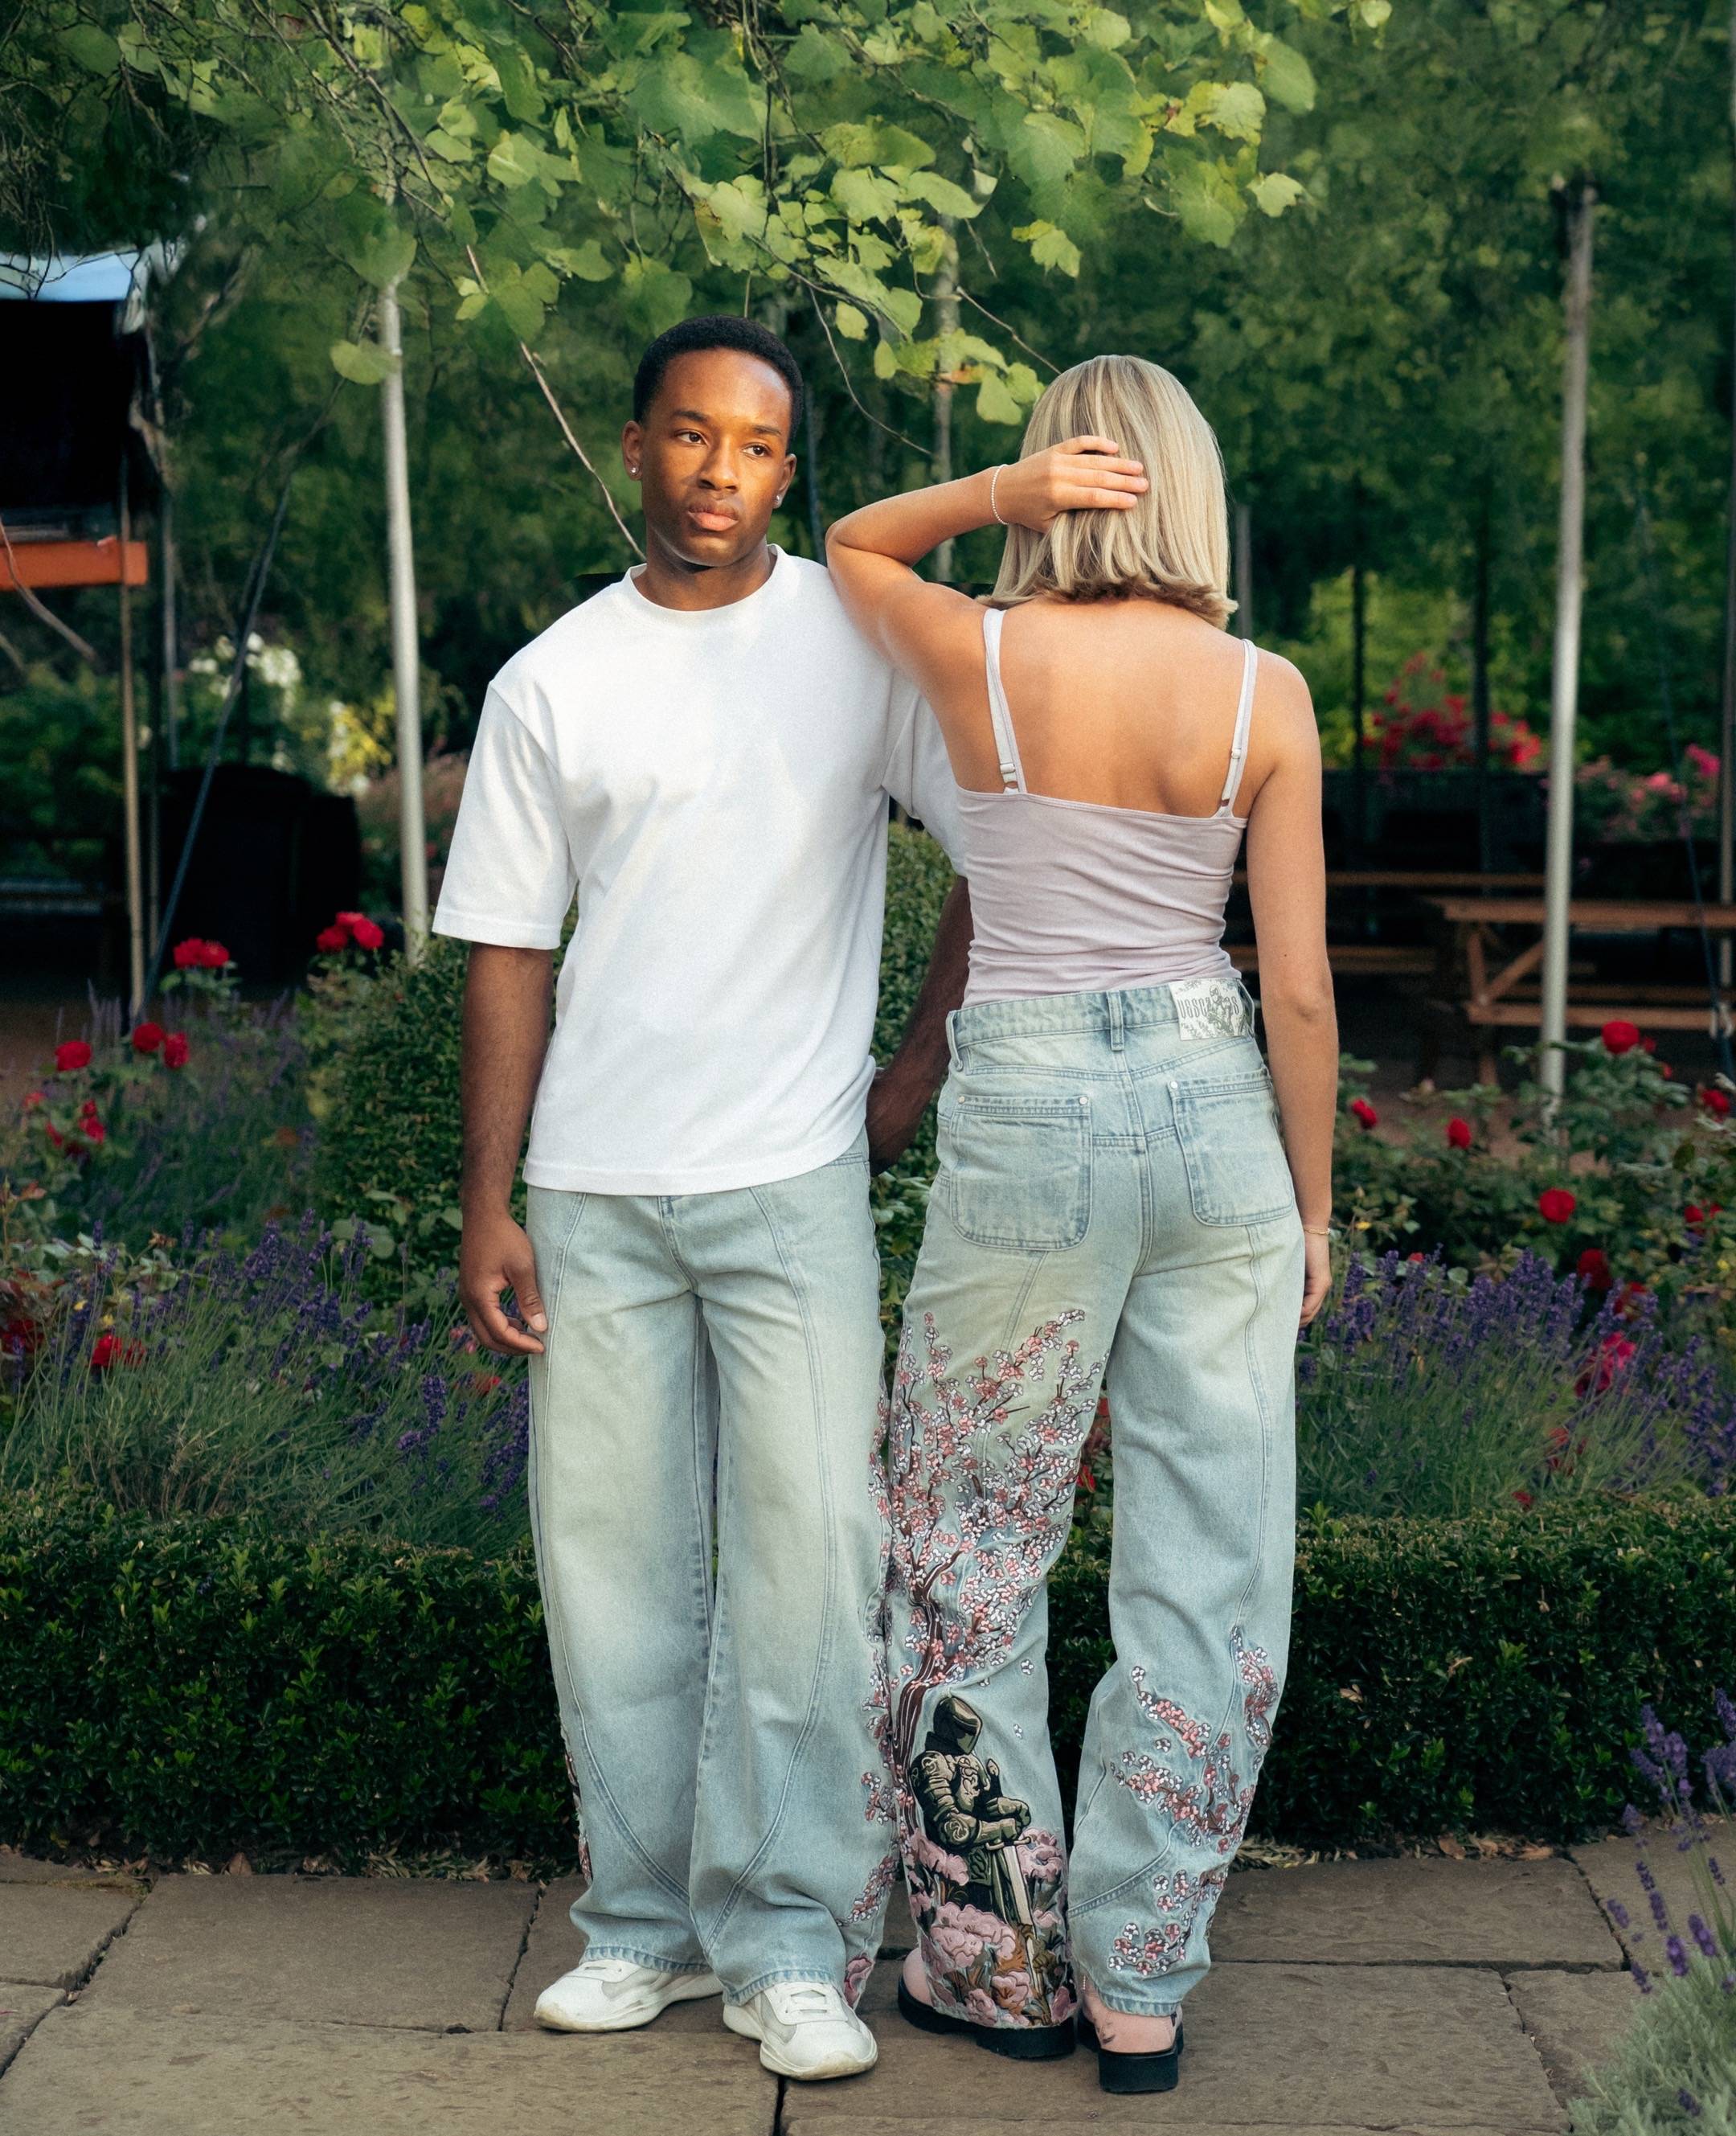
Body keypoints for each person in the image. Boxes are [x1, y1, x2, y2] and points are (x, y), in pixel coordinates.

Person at [436, 315, 971, 2084]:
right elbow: (506, 948)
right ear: (636, 446)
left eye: (752, 444)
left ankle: (793, 1945)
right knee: (610, 1572)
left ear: (788, 472)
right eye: (688, 434)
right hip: (594, 1189)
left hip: (792, 1181)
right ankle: (642, 1929)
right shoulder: (553, 679)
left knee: (812, 1567)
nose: (717, 470)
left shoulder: (857, 647)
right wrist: (491, 1199)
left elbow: (998, 841)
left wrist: (910, 1074)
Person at [827, 355, 1337, 2093]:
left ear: (1061, 483)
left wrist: (995, 500)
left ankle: (998, 1967)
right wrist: (1314, 1206)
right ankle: (1140, 1984)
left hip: (1031, 1113)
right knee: (1214, 1558)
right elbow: (1300, 991)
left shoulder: (980, 652)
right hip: (1214, 1115)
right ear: (1195, 493)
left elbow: (851, 542)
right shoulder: (1266, 692)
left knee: (967, 1543)